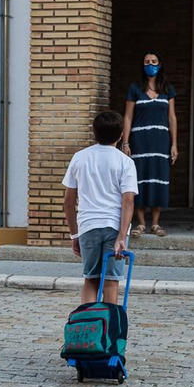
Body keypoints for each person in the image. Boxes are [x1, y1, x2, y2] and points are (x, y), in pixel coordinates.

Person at [63, 110, 137, 306]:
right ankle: (108, 325)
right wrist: (122, 236)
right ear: (121, 135)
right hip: (114, 227)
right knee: (111, 282)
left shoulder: (79, 158)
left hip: (88, 226)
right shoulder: (125, 162)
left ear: (94, 132)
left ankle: (87, 323)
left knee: (91, 279)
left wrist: (74, 234)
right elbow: (128, 201)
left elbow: (68, 202)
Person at [120, 52, 178, 238]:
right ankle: (141, 223)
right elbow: (128, 117)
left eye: (154, 62)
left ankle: (155, 223)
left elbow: (172, 117)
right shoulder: (135, 89)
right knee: (140, 178)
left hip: (161, 141)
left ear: (160, 65)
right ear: (142, 65)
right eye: (147, 62)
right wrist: (125, 142)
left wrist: (174, 144)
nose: (150, 65)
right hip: (140, 140)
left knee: (158, 177)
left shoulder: (167, 89)